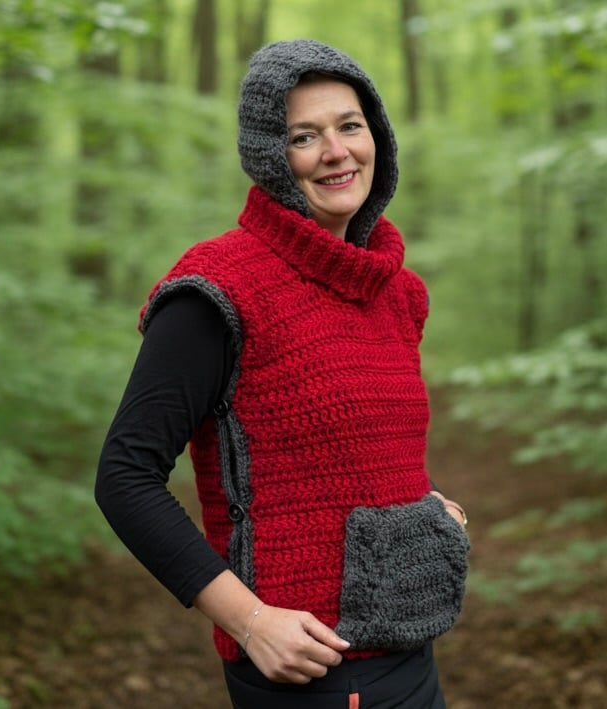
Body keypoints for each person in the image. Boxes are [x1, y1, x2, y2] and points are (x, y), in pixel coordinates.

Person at [95, 39, 470, 708]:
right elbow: (125, 475)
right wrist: (249, 621)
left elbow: (359, 443)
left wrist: (427, 500)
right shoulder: (216, 288)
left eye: (350, 125)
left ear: (377, 138)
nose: (336, 151)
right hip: (315, 673)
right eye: (304, 136)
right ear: (271, 155)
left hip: (412, 646)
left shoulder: (396, 291)